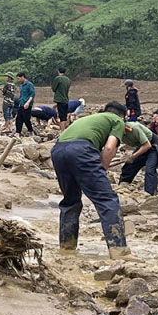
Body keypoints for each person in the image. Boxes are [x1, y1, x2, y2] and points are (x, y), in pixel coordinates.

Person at [50, 102, 133, 259]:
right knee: (107, 200)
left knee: (70, 201)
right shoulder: (117, 121)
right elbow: (109, 148)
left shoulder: (90, 119)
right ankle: (119, 251)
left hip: (58, 151)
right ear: (122, 116)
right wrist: (101, 170)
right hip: (82, 150)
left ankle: (67, 248)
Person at [119, 121, 158, 196]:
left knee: (150, 170)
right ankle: (122, 185)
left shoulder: (134, 128)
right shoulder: (116, 133)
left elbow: (147, 145)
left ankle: (150, 194)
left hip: (153, 145)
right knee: (129, 166)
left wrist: (133, 156)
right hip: (141, 146)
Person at [15, 72, 35, 138]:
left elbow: (32, 95)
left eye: (19, 79)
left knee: (26, 119)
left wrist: (28, 102)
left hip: (27, 105)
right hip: (21, 103)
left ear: (23, 77)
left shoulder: (29, 84)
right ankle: (18, 132)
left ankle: (31, 131)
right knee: (18, 118)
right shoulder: (21, 85)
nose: (18, 80)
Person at [52, 67, 71, 132]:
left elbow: (53, 88)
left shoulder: (58, 78)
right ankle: (64, 129)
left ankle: (62, 130)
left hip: (60, 100)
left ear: (58, 71)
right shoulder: (68, 79)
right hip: (66, 99)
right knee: (65, 115)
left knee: (61, 116)